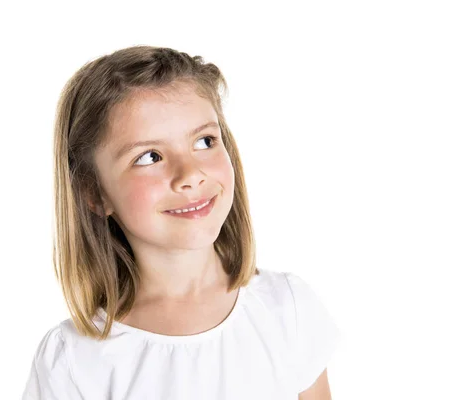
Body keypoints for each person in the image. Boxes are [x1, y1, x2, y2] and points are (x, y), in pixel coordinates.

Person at [21, 45, 341, 400]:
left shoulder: (287, 310)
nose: (190, 174)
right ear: (94, 193)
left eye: (205, 141)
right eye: (149, 157)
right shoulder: (74, 361)